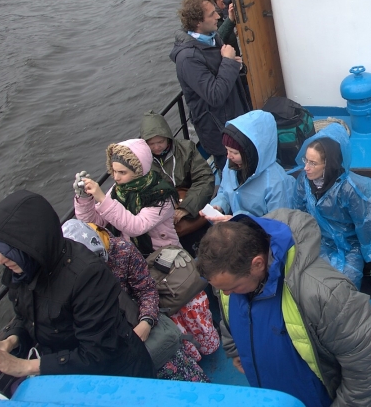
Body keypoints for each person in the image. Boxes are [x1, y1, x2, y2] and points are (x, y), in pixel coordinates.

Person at [197, 209, 371, 407]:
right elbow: (230, 316)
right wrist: (236, 350)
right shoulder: (230, 284)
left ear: (257, 264)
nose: (226, 294)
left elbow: (366, 364)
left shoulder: (325, 293)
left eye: (232, 288)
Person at [0, 191, 153, 382]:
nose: (0, 261)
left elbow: (98, 353)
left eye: (7, 253)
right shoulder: (21, 271)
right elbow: (27, 316)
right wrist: (10, 341)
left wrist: (23, 367)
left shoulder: (87, 276)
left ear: (30, 247)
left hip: (118, 376)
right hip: (67, 372)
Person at [74, 138, 220, 361]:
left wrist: (102, 198)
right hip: (140, 263)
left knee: (186, 306)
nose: (116, 178)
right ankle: (188, 352)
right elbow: (95, 223)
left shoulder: (161, 195)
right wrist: (84, 199)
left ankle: (208, 345)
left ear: (138, 169)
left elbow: (135, 226)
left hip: (168, 263)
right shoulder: (118, 192)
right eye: (114, 171)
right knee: (166, 313)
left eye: (122, 172)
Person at [61, 220, 209, 382]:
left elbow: (146, 289)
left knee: (182, 374)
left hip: (140, 325)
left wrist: (146, 321)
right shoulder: (67, 278)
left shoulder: (123, 251)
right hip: (108, 344)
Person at [291, 124, 371, 289]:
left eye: (313, 163)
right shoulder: (303, 182)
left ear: (329, 164)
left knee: (343, 289)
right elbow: (299, 216)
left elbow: (368, 225)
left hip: (351, 247)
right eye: (305, 160)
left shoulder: (354, 188)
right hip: (319, 241)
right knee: (306, 285)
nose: (306, 168)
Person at [170, 0, 248, 169]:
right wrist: (228, 62)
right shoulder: (188, 58)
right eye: (212, 14)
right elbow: (215, 95)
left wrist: (235, 65)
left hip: (235, 120)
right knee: (232, 175)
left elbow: (221, 72)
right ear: (198, 22)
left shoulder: (212, 37)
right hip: (220, 133)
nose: (217, 16)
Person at [140, 110, 215, 246]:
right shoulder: (141, 162)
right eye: (151, 144)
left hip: (192, 205)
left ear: (168, 137)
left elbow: (204, 178)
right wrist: (166, 208)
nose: (156, 147)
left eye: (160, 141)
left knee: (209, 240)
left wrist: (186, 208)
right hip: (163, 216)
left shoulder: (187, 149)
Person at [206, 110, 295, 218]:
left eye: (235, 152)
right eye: (227, 150)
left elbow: (279, 223)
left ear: (251, 152)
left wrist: (238, 219)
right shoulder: (231, 165)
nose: (228, 156)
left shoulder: (277, 183)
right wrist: (219, 205)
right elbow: (224, 192)